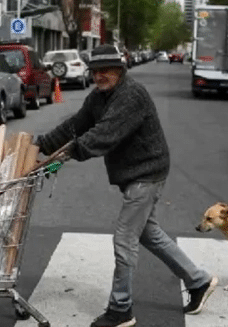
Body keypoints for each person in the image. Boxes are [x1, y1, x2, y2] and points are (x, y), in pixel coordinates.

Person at [34, 44, 218, 327]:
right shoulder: (98, 97)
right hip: (134, 174)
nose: (99, 76)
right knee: (149, 234)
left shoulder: (131, 96)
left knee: (124, 238)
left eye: (106, 70)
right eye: (95, 71)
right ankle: (198, 281)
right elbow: (76, 125)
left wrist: (60, 159)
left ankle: (121, 309)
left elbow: (103, 135)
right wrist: (44, 144)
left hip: (146, 172)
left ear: (119, 70)